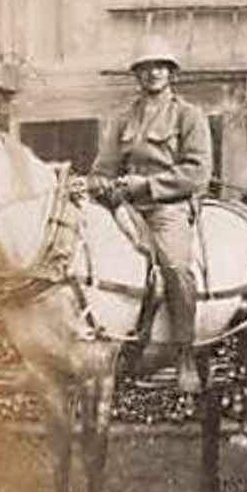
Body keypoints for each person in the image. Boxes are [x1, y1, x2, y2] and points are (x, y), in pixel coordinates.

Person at [88, 35, 214, 394]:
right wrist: (101, 185)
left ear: (171, 73)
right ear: (137, 75)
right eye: (145, 67)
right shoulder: (122, 119)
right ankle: (114, 340)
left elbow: (197, 173)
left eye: (160, 66)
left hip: (167, 206)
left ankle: (185, 353)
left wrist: (145, 185)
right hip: (123, 207)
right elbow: (103, 167)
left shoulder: (188, 116)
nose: (153, 73)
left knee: (175, 267)